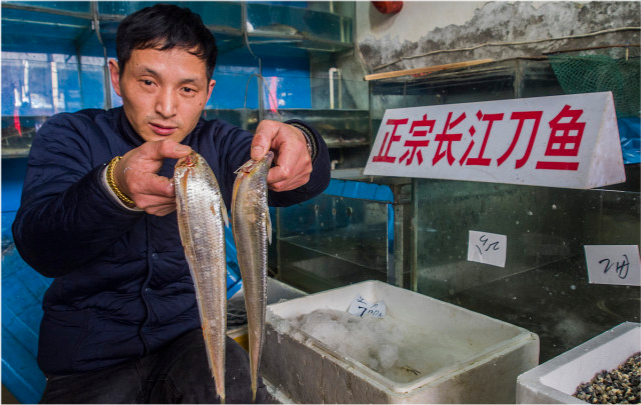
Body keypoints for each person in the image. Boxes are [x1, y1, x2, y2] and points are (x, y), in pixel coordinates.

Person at [11, 4, 330, 405]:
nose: (166, 107)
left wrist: (305, 142)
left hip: (190, 337)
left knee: (237, 394)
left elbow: (293, 184)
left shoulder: (217, 142)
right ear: (116, 76)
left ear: (207, 92)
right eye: (148, 82)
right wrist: (114, 186)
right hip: (88, 355)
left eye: (187, 89)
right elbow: (40, 247)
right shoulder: (70, 135)